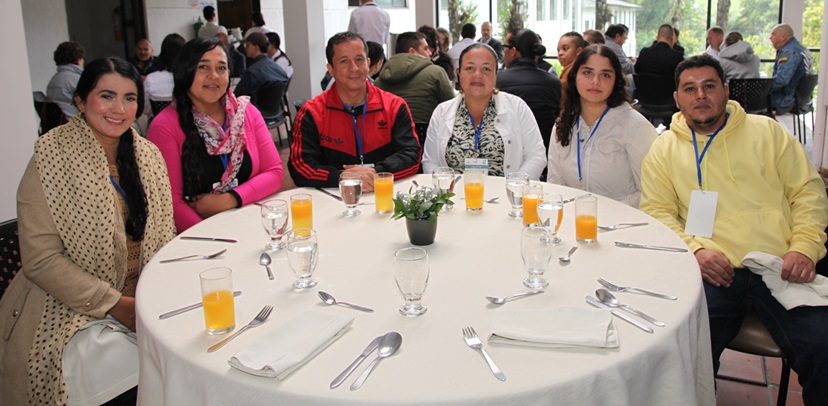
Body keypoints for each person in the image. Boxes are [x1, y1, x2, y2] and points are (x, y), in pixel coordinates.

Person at [639, 55, 828, 405]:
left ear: (726, 90)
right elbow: (657, 213)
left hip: (779, 265)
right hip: (713, 271)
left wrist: (803, 247)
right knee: (680, 350)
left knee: (824, 346)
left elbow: (808, 192)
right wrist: (695, 251)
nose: (700, 96)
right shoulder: (663, 149)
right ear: (677, 98)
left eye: (709, 86)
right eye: (690, 89)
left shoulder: (768, 132)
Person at [0, 57, 175, 405]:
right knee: (136, 373)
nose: (119, 109)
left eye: (129, 98)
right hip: (66, 307)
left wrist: (152, 298)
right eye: (106, 96)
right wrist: (116, 305)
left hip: (141, 299)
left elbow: (165, 237)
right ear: (81, 101)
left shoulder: (148, 156)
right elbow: (41, 260)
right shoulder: (51, 156)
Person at [147, 38, 283, 232]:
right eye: (203, 67)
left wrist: (230, 199)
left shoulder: (246, 113)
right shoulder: (165, 125)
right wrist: (213, 239)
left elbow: (274, 172)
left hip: (251, 225)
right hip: (200, 237)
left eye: (221, 68)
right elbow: (171, 204)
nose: (214, 76)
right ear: (185, 71)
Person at [288, 31, 420, 192]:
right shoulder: (312, 113)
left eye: (359, 59)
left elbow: (412, 155)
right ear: (331, 69)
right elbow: (300, 166)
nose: (354, 68)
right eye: (344, 61)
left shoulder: (394, 106)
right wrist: (342, 177)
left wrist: (376, 173)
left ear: (368, 62)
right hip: (333, 198)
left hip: (385, 193)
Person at [547, 45, 657, 207]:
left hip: (624, 224)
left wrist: (601, 212)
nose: (595, 82)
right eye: (587, 72)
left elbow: (650, 192)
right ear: (574, 76)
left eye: (605, 75)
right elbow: (555, 186)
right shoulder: (563, 124)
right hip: (574, 221)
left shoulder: (635, 127)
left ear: (616, 81)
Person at [424, 43, 546, 179]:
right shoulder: (441, 112)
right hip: (454, 197)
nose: (477, 74)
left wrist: (514, 189)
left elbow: (536, 155)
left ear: (496, 75)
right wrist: (445, 192)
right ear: (459, 73)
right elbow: (430, 162)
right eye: (469, 68)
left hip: (505, 197)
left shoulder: (517, 107)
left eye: (486, 69)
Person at [374, 31, 454, 146]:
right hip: (426, 140)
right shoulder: (436, 72)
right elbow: (450, 107)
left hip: (388, 142)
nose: (430, 53)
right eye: (426, 48)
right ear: (412, 51)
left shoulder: (379, 80)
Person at [497, 28, 561, 165]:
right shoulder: (554, 83)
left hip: (506, 157)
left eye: (505, 48)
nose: (504, 53)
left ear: (513, 51)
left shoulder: (498, 81)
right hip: (546, 154)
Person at [233, 32, 289, 106]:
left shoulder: (252, 72)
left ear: (256, 47)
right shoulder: (280, 70)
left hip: (254, 114)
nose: (245, 48)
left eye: (248, 45)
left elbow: (237, 96)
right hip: (277, 113)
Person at [634, 24, 684, 104]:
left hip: (643, 99)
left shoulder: (644, 52)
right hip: (668, 101)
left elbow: (637, 70)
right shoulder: (677, 56)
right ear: (672, 37)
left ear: (657, 37)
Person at [770, 23, 813, 112]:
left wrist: (764, 87)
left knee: (751, 101)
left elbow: (782, 80)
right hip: (804, 100)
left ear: (783, 37)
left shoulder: (789, 52)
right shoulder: (802, 49)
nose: (770, 38)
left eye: (773, 34)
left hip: (787, 100)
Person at [144, 33, 185, 116]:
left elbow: (146, 110)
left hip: (158, 123)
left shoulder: (151, 79)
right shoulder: (190, 77)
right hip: (186, 125)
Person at [46, 41, 85, 118]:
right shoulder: (77, 80)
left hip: (58, 125)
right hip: (76, 123)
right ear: (79, 60)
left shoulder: (53, 80)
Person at [557, 32, 587, 101]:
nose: (560, 53)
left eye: (565, 48)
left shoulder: (574, 72)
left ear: (579, 51)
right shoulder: (567, 70)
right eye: (558, 50)